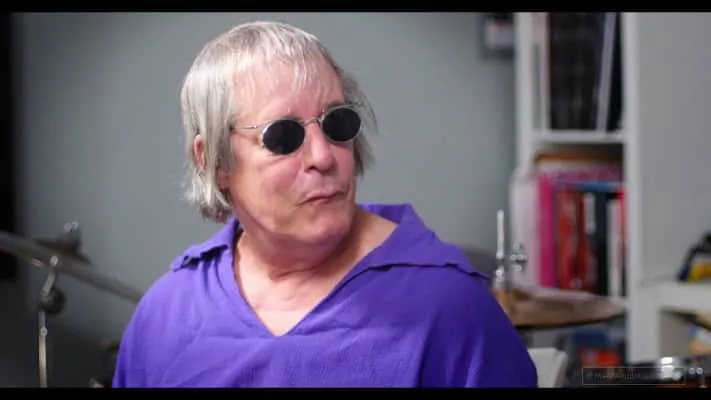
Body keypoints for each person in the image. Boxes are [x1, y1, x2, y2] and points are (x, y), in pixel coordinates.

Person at [112, 20, 537, 388]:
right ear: (214, 161)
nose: (323, 156)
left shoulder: (450, 308)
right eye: (283, 136)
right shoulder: (165, 317)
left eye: (337, 122)